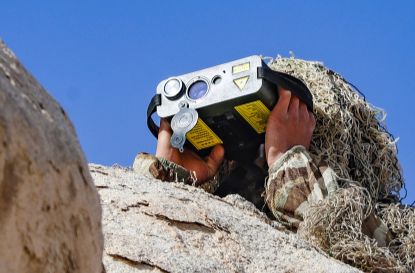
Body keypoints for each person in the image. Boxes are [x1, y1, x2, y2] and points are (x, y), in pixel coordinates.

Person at [134, 86, 338, 228]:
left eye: (262, 140)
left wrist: (289, 161)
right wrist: (170, 175)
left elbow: (334, 236)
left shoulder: (352, 206)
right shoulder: (210, 199)